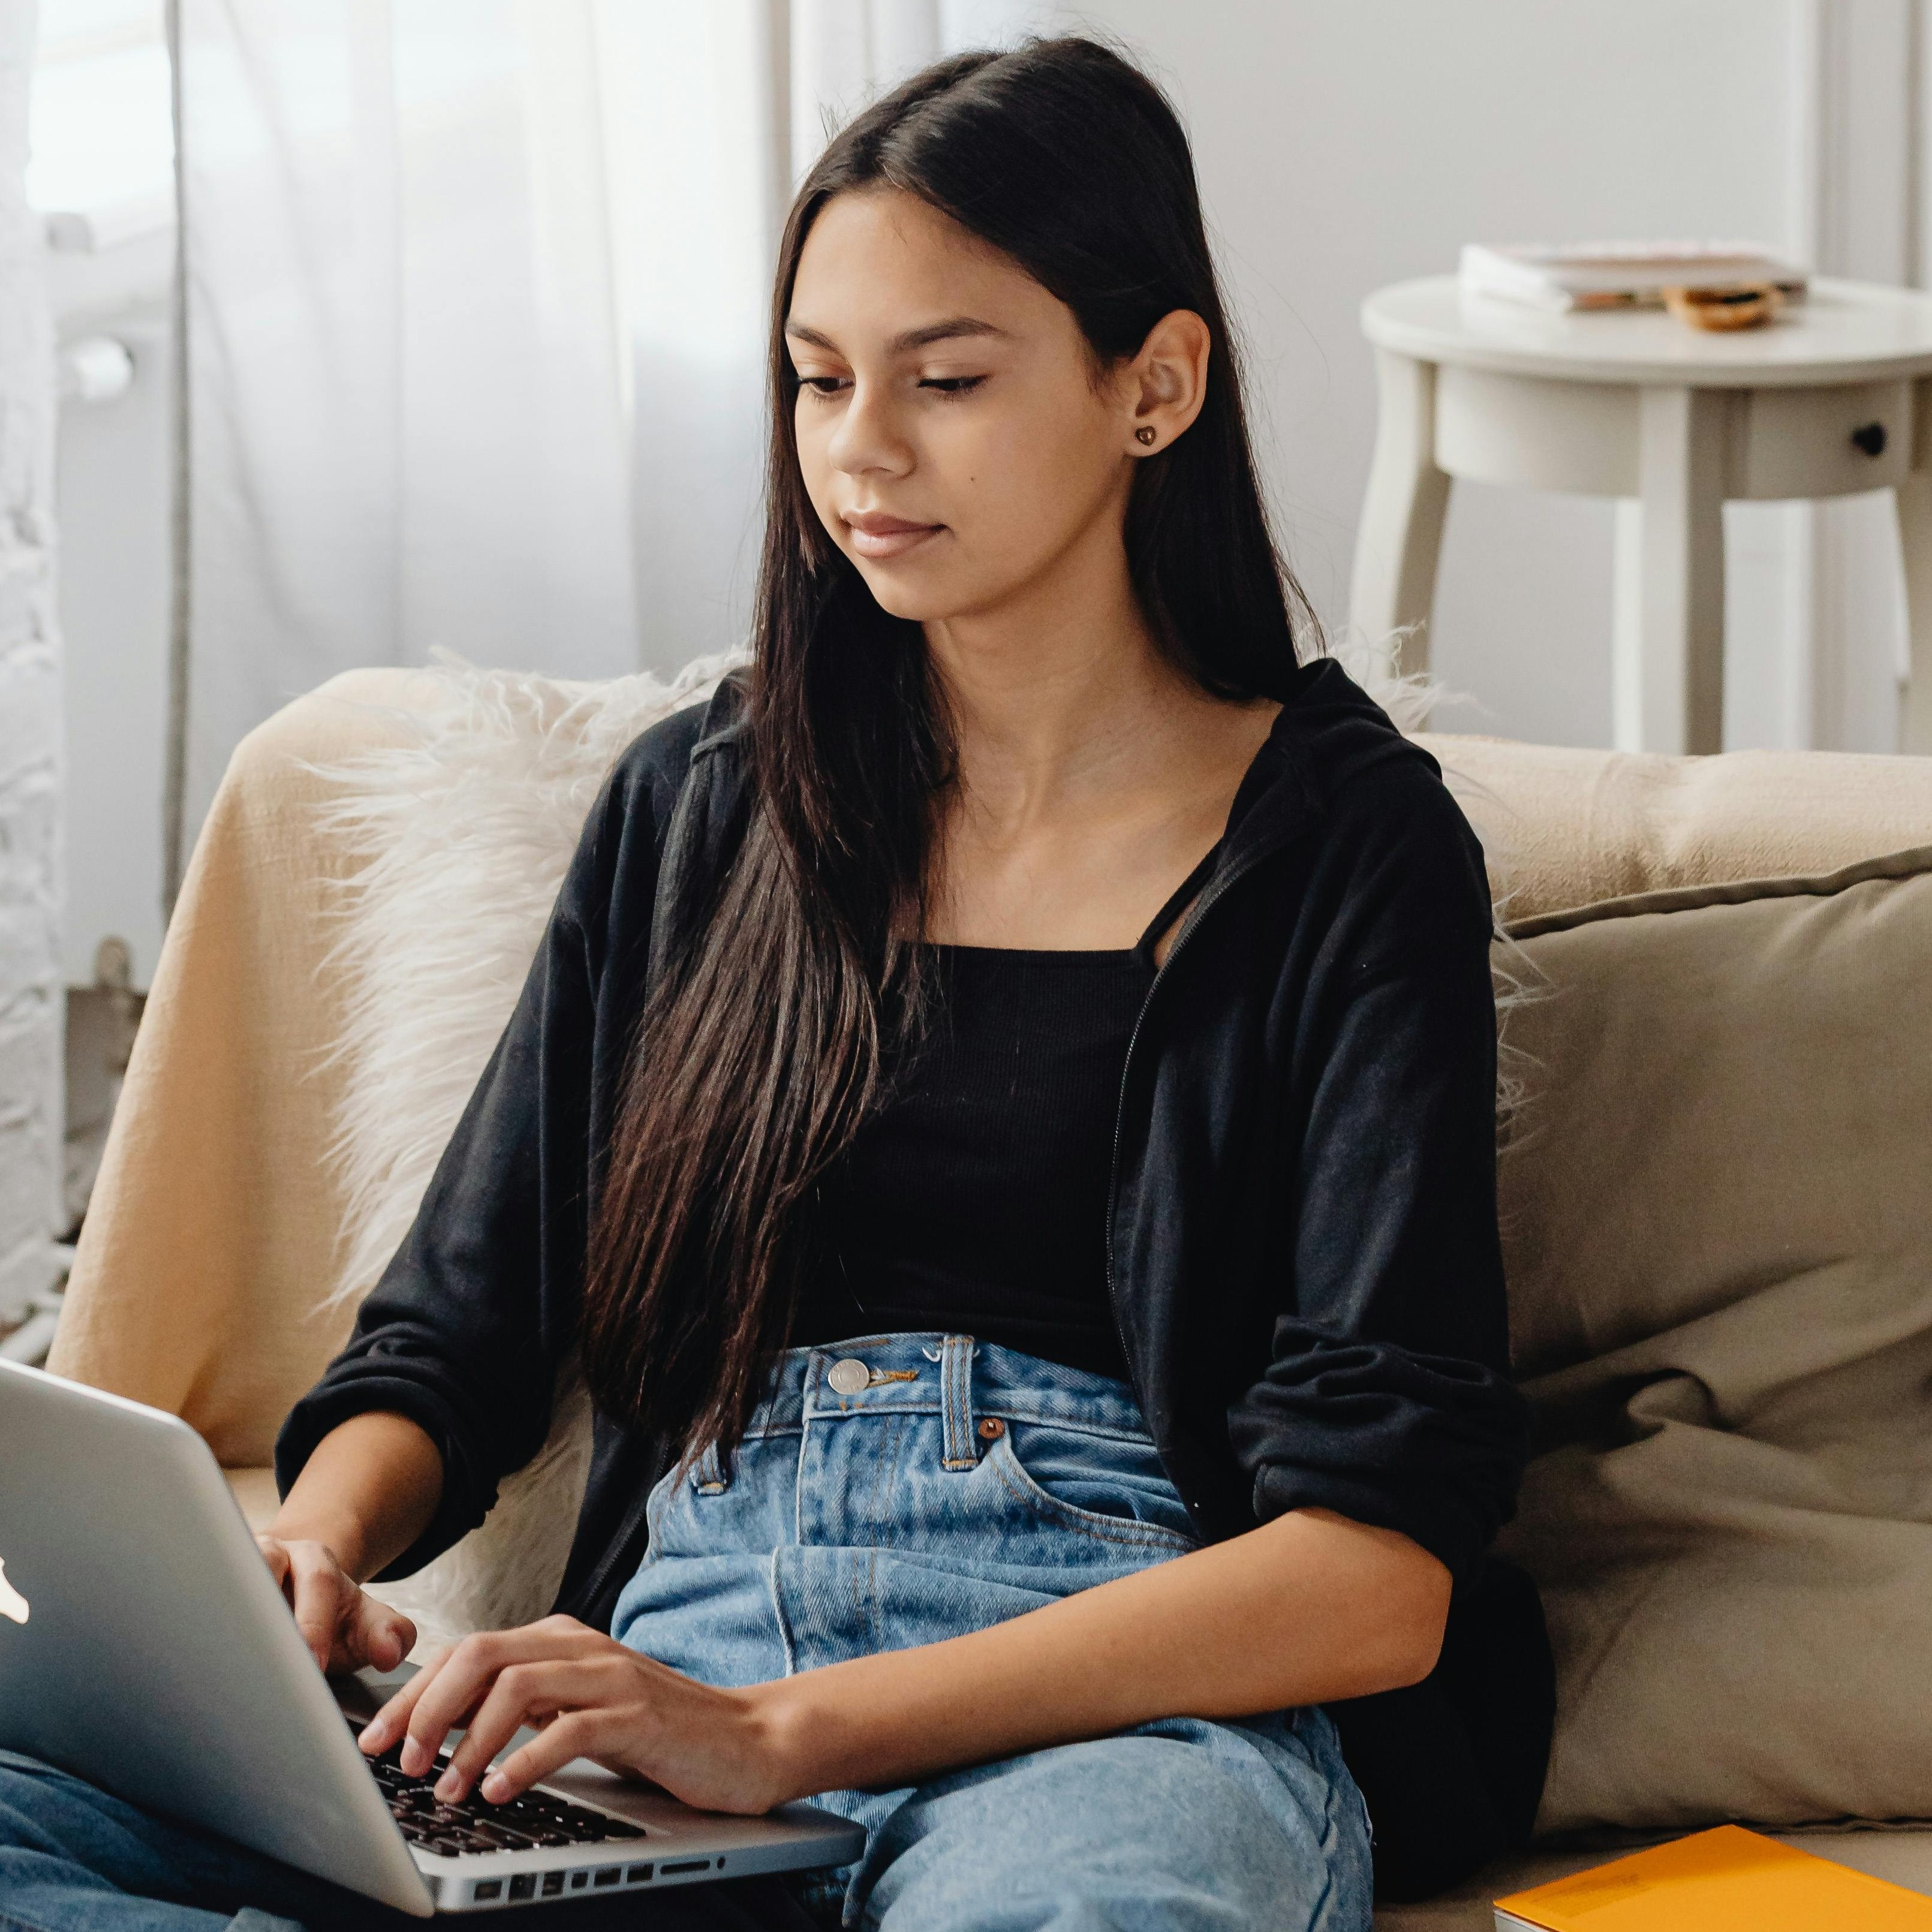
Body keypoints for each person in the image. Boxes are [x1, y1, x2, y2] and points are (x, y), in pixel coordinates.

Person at [0, 36, 1549, 1932]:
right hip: (672, 1673)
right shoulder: (704, 811)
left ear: (1155, 385)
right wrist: (300, 1562)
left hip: (1111, 1711)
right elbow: (448, 1340)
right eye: (818, 381)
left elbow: (1372, 1576)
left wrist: (781, 1732)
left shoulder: (1346, 854)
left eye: (947, 380)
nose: (860, 452)